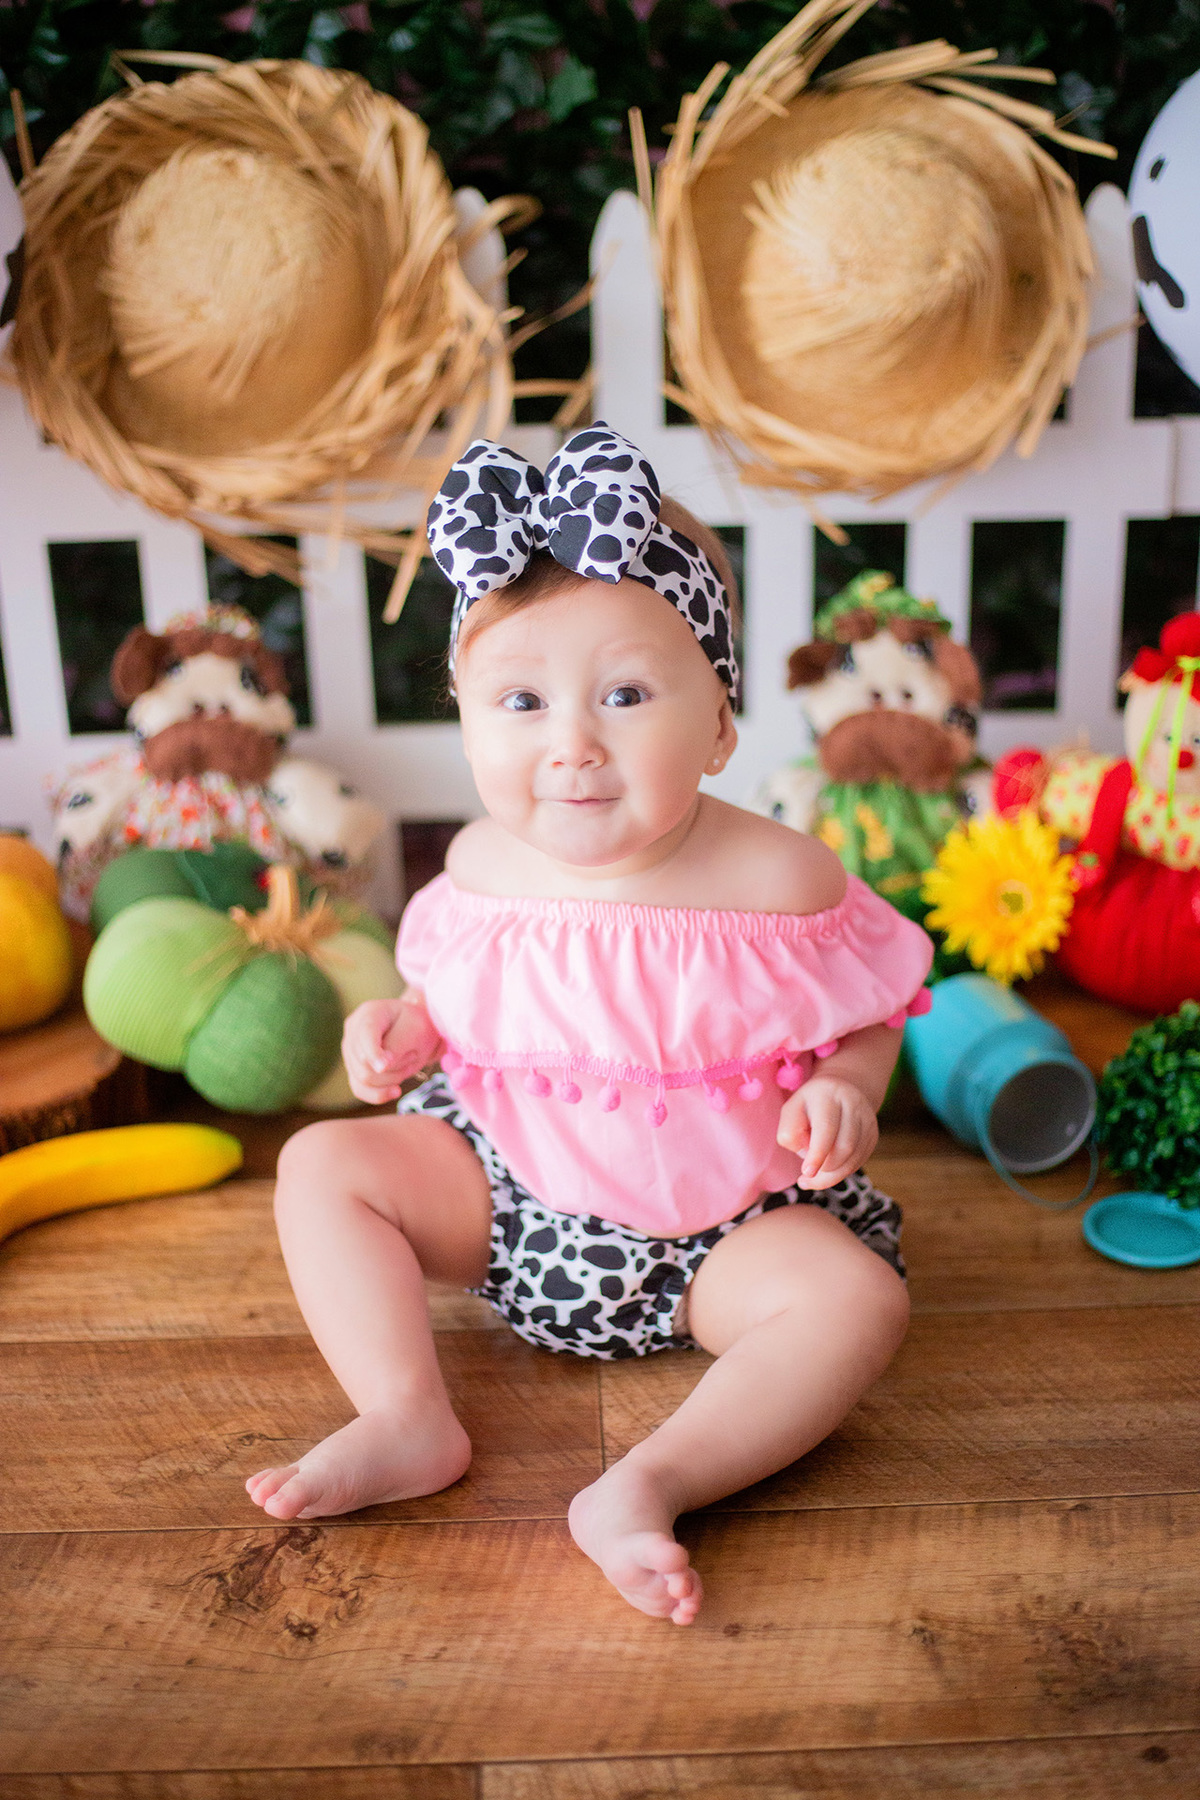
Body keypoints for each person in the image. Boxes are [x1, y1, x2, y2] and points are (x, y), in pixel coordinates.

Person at [246, 424, 933, 1625]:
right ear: (467, 720)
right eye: (521, 699)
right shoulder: (478, 868)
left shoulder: (783, 883)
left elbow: (873, 1010)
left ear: (721, 725)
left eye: (624, 694)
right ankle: (405, 1411)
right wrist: (405, 1028)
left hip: (729, 1225)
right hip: (510, 1198)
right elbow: (457, 1010)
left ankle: (648, 1483)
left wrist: (853, 1087)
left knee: (856, 1303)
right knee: (323, 1163)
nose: (571, 742)